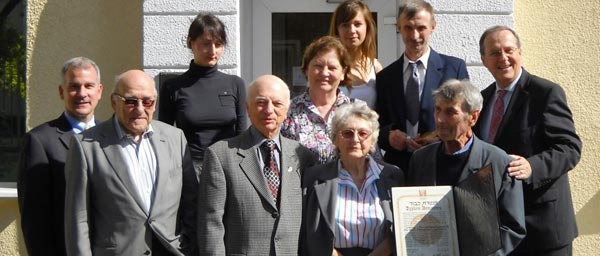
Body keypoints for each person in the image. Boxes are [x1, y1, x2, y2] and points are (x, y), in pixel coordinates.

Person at [474, 26, 582, 255]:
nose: (503, 58)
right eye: (494, 53)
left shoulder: (545, 93)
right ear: (484, 60)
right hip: (502, 230)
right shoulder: (482, 100)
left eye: (509, 50)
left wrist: (532, 166)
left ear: (520, 53)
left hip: (543, 229)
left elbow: (570, 148)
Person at [64, 70, 197, 255]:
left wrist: (188, 244)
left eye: (147, 101)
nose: (140, 109)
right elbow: (78, 219)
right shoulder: (86, 146)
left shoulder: (175, 138)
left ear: (155, 103)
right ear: (113, 101)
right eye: (130, 101)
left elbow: (191, 201)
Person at [198, 75, 315, 255]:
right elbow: (211, 223)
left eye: (277, 104)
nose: (269, 110)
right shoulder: (221, 155)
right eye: (261, 102)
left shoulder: (302, 156)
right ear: (247, 107)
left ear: (287, 109)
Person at [408, 79, 526, 255]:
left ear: (473, 117)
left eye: (450, 112)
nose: (440, 119)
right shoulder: (420, 159)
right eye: (438, 110)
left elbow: (513, 228)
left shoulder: (499, 163)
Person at [17, 56, 103, 256]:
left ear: (99, 91)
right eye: (74, 86)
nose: (82, 93)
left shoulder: (112, 138)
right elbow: (34, 219)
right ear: (61, 91)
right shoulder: (39, 141)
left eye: (88, 86)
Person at [375, 0, 469, 173]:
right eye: (408, 28)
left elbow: (467, 119)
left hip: (442, 164)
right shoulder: (385, 77)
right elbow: (376, 125)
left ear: (433, 27)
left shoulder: (454, 68)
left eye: (421, 28)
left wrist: (443, 140)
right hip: (398, 168)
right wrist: (389, 137)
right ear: (398, 28)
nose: (414, 35)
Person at [302, 101, 403, 256]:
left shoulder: (393, 176)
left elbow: (397, 232)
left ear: (372, 141)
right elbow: (313, 234)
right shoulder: (315, 178)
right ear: (336, 139)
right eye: (347, 133)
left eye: (363, 134)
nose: (355, 139)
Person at [159, 13, 247, 171]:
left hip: (229, 168)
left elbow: (242, 136)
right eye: (206, 43)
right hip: (189, 169)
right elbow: (164, 138)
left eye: (218, 44)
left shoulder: (235, 84)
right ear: (191, 43)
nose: (212, 50)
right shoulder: (173, 87)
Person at [281, 35, 360, 164]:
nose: (324, 73)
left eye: (332, 68)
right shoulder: (289, 112)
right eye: (318, 66)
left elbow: (372, 158)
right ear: (306, 70)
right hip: (302, 184)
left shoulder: (357, 111)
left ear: (343, 73)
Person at [330, 0, 383, 109]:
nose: (352, 30)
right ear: (337, 29)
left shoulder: (375, 67)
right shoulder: (328, 66)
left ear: (367, 27)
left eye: (357, 24)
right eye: (345, 25)